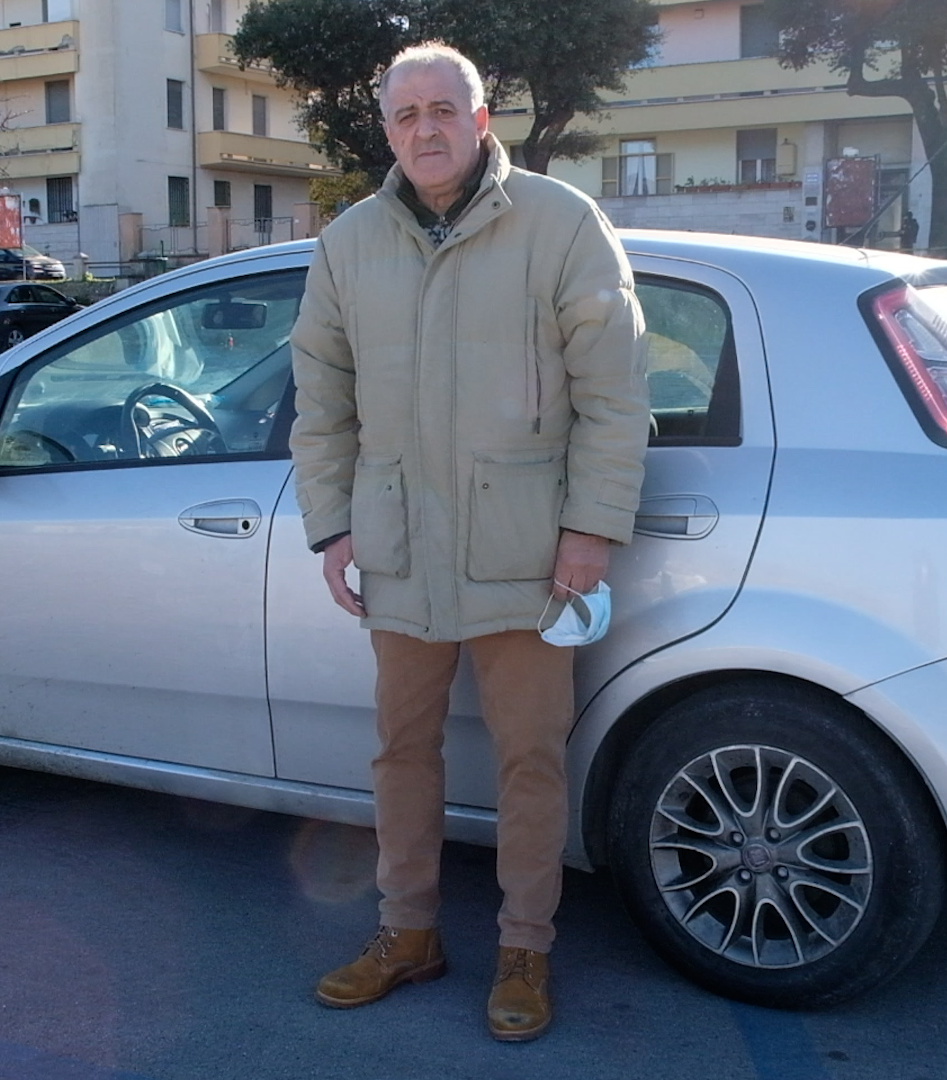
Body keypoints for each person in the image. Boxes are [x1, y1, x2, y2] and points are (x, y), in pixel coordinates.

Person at [288, 42, 649, 1042]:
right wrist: (333, 525)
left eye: (444, 109)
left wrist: (589, 532)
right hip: (400, 547)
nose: (426, 129)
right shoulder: (348, 244)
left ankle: (525, 948)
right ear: (387, 131)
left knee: (530, 759)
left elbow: (616, 398)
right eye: (406, 114)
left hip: (526, 555)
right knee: (401, 754)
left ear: (482, 119)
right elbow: (322, 402)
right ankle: (408, 934)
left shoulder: (561, 223)